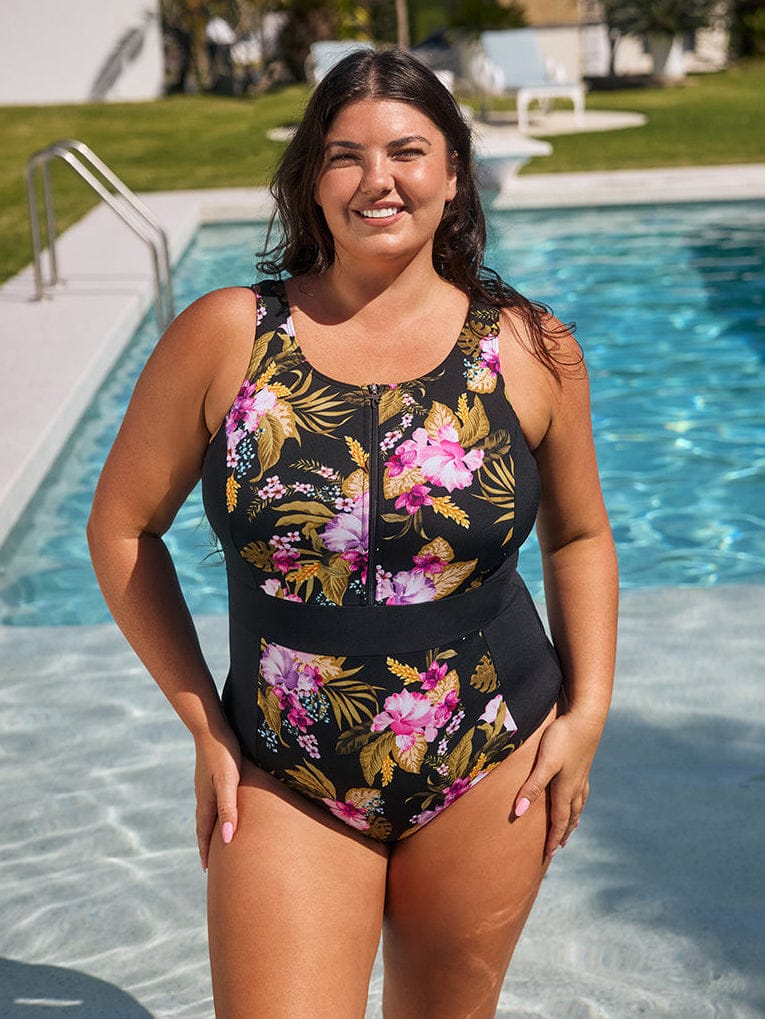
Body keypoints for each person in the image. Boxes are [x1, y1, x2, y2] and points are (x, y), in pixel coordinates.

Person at [88, 48, 618, 1019]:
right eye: (346, 155)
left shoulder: (531, 349)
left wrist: (587, 715)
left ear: (454, 171)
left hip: (490, 747)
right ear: (309, 181)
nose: (379, 179)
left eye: (408, 151)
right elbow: (123, 527)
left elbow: (579, 534)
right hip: (283, 760)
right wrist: (203, 723)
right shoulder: (228, 337)